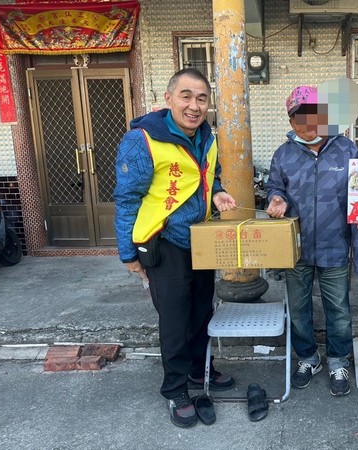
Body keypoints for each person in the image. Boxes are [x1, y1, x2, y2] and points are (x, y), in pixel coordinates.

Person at [113, 68, 237, 428]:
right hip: (163, 242)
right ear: (168, 99)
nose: (194, 106)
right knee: (175, 320)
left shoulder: (206, 137)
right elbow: (126, 199)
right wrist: (127, 254)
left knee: (201, 311)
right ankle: (176, 389)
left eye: (201, 98)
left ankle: (199, 369)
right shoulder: (143, 140)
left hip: (200, 239)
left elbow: (209, 175)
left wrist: (217, 192)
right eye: (186, 96)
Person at [265, 85, 358, 397]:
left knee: (338, 309)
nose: (307, 125)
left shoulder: (347, 151)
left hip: (335, 245)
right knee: (298, 309)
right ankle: (308, 358)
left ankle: (338, 360)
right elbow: (275, 186)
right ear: (291, 121)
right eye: (299, 118)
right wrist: (276, 198)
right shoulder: (283, 154)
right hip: (295, 248)